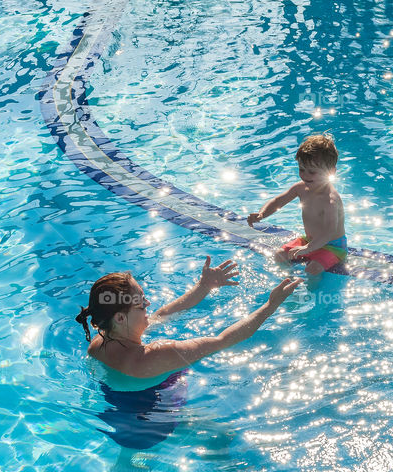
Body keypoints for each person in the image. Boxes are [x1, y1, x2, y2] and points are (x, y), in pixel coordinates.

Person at [75, 257, 302, 455]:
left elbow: (162, 314)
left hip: (121, 421)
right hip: (156, 424)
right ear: (120, 318)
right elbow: (224, 340)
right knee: (223, 436)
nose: (149, 304)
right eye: (141, 304)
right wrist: (270, 305)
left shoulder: (98, 343)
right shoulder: (158, 355)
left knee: (130, 464)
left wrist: (203, 287)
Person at [246, 133, 347, 280]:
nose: (305, 175)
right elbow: (278, 201)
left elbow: (329, 232)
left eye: (312, 172)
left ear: (331, 171)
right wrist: (262, 214)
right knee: (279, 255)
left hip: (332, 246)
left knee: (313, 269)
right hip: (308, 240)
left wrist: (307, 248)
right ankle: (289, 283)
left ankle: (311, 291)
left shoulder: (330, 200)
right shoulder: (300, 188)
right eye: (301, 169)